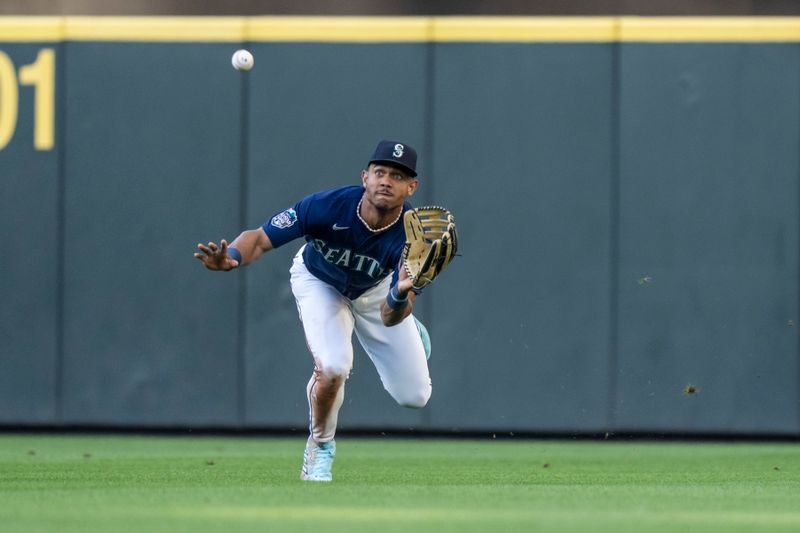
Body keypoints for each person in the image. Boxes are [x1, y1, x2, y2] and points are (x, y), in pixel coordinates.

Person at [194, 140, 433, 482]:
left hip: (378, 295)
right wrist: (232, 255)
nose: (386, 181)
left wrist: (398, 299)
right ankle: (320, 447)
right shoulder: (327, 206)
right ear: (365, 177)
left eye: (397, 176)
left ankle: (413, 330)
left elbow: (389, 313)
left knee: (415, 397)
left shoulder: (415, 238)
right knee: (333, 366)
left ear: (412, 187)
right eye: (379, 172)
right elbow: (260, 238)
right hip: (321, 283)